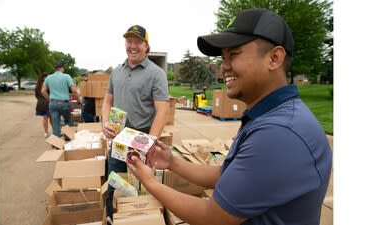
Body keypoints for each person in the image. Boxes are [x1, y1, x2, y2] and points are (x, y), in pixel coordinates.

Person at [127, 8, 332, 225]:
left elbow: (213, 217)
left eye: (233, 55)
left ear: (274, 58)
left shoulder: (279, 133)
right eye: (223, 58)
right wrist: (172, 162)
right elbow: (225, 175)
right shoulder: (269, 116)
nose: (224, 67)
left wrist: (150, 182)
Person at [101, 25, 169, 220]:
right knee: (116, 187)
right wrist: (105, 122)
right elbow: (108, 101)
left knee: (143, 193)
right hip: (118, 143)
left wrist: (150, 144)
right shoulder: (116, 72)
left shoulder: (156, 73)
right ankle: (113, 220)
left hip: (141, 143)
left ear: (146, 46)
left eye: (137, 42)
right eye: (129, 41)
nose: (133, 46)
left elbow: (162, 110)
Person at [41, 62, 82, 141]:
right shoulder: (66, 76)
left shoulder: (49, 78)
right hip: (64, 103)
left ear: (55, 69)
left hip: (53, 103)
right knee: (67, 121)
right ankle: (67, 139)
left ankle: (57, 143)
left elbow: (43, 91)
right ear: (62, 68)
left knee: (56, 123)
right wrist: (78, 100)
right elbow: (74, 90)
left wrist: (49, 99)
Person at [35, 72, 53, 138]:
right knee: (51, 118)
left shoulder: (37, 85)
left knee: (44, 118)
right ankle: (54, 131)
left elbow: (36, 95)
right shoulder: (47, 85)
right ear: (44, 78)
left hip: (40, 104)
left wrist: (40, 99)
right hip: (48, 103)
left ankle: (46, 132)